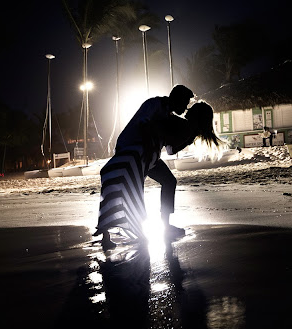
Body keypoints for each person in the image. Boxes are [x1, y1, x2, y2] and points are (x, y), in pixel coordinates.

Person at [94, 100, 221, 250]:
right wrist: (186, 138)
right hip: (144, 155)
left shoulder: (185, 127)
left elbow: (170, 148)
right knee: (141, 187)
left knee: (165, 182)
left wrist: (187, 139)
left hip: (149, 156)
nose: (187, 108)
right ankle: (155, 227)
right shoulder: (181, 124)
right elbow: (167, 143)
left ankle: (114, 232)